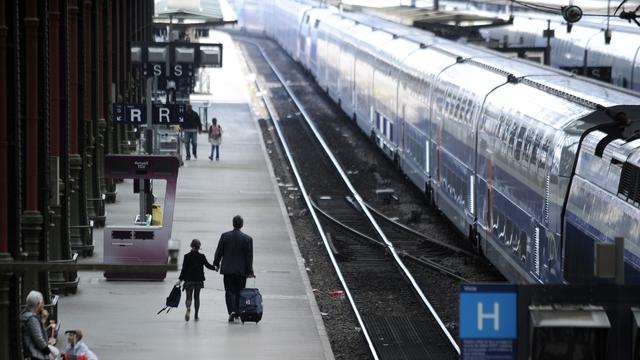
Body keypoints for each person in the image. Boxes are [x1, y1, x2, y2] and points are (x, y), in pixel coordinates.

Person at [213, 215, 255, 322]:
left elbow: (219, 251)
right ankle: (238, 312)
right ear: (242, 225)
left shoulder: (225, 236)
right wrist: (250, 270)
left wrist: (216, 264)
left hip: (228, 270)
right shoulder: (247, 239)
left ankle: (232, 310)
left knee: (229, 291)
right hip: (241, 271)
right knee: (240, 291)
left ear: (233, 223)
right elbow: (249, 257)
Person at [178, 239, 217, 321]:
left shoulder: (187, 256)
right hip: (198, 280)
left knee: (188, 297)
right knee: (197, 297)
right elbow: (208, 266)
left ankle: (188, 308)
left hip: (188, 279)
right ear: (199, 247)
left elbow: (184, 269)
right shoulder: (202, 256)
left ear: (191, 246)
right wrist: (215, 268)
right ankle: (196, 315)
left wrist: (180, 279)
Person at [21, 290, 58, 360]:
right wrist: (48, 353)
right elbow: (38, 338)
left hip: (32, 348)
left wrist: (43, 320)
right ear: (38, 304)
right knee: (55, 353)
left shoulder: (26, 314)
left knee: (55, 352)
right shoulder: (32, 319)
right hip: (34, 352)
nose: (43, 304)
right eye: (42, 302)